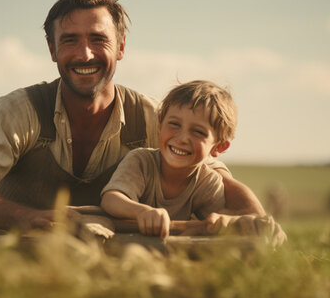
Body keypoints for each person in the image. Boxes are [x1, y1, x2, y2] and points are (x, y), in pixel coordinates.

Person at [0, 0, 265, 232]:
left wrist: (256, 221)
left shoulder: (156, 118)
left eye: (98, 39)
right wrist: (25, 218)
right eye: (70, 41)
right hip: (19, 262)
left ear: (121, 46)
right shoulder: (18, 111)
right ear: (52, 49)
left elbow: (217, 178)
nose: (85, 54)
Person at [101, 80, 241, 239]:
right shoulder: (141, 161)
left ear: (218, 147)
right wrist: (142, 212)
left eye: (198, 132)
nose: (182, 138)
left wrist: (221, 222)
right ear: (159, 126)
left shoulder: (208, 181)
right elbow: (111, 199)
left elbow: (216, 223)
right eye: (174, 124)